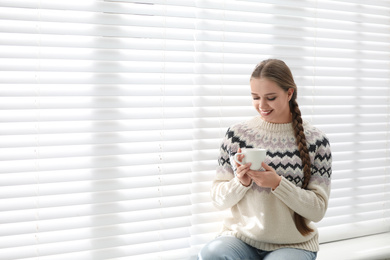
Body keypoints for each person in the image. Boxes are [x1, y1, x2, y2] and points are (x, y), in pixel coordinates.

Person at [198, 59, 332, 260]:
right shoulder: (236, 135)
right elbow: (218, 199)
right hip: (241, 240)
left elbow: (318, 210)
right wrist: (240, 183)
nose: (262, 105)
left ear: (289, 93)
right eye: (255, 97)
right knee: (211, 253)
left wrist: (278, 184)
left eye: (270, 97)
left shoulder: (316, 141)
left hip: (294, 245)